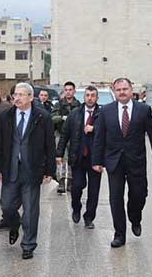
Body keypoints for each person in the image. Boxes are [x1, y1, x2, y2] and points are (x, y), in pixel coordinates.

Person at [92, 77, 152, 248]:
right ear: (114, 91)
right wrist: (97, 160)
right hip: (114, 161)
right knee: (115, 198)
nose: (122, 92)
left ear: (131, 90)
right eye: (118, 89)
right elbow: (99, 137)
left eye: (125, 89)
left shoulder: (144, 110)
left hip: (136, 161)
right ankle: (119, 234)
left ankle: (135, 217)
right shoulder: (106, 110)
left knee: (139, 194)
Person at [0, 82, 56, 260]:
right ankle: (14, 225)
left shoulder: (42, 117)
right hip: (10, 168)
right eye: (15, 95)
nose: (17, 98)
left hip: (32, 169)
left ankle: (28, 244)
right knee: (7, 206)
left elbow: (49, 146)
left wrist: (49, 170)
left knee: (30, 210)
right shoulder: (6, 116)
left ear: (30, 97)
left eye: (21, 95)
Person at [56, 86, 102, 229]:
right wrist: (59, 154)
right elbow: (65, 135)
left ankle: (89, 217)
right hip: (78, 157)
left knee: (94, 191)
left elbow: (110, 133)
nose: (90, 98)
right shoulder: (75, 114)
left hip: (95, 159)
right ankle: (76, 208)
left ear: (97, 98)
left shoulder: (102, 114)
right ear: (84, 97)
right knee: (76, 187)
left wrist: (95, 129)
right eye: (87, 95)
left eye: (93, 95)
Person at [52, 81, 81, 194]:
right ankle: (61, 180)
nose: (68, 92)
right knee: (60, 158)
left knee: (72, 158)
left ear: (74, 91)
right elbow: (52, 118)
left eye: (70, 90)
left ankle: (70, 180)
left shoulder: (78, 105)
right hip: (60, 134)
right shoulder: (59, 104)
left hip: (74, 135)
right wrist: (62, 118)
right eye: (66, 90)